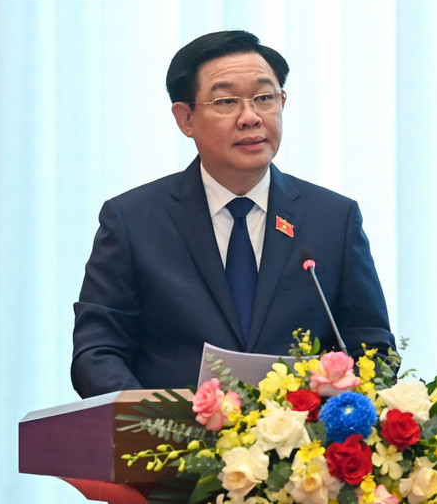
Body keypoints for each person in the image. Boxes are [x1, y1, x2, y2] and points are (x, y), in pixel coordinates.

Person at [71, 30, 395, 398]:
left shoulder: (333, 219)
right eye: (226, 101)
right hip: (173, 448)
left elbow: (373, 350)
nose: (251, 117)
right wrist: (158, 422)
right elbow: (96, 353)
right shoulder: (132, 220)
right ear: (186, 118)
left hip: (303, 448)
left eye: (264, 98)